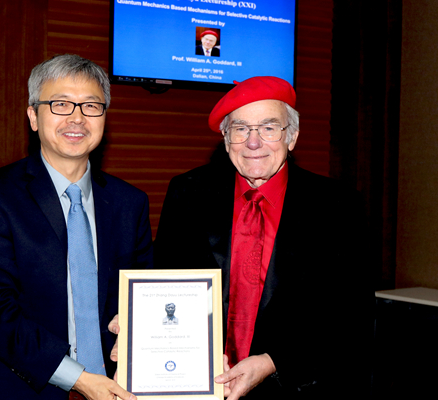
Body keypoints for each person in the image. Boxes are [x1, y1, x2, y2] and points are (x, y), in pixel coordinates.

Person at [153, 77, 372, 399]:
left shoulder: (338, 206)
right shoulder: (187, 193)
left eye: (269, 128)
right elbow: (163, 284)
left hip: (298, 387)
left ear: (292, 137)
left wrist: (273, 361)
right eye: (240, 129)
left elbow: (351, 315)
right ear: (226, 139)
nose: (253, 142)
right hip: (198, 383)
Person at [0, 54, 152, 400]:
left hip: (119, 387)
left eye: (91, 106)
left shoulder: (129, 202)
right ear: (33, 116)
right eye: (60, 104)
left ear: (104, 117)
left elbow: (143, 293)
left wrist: (140, 322)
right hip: (25, 389)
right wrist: (79, 379)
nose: (77, 118)